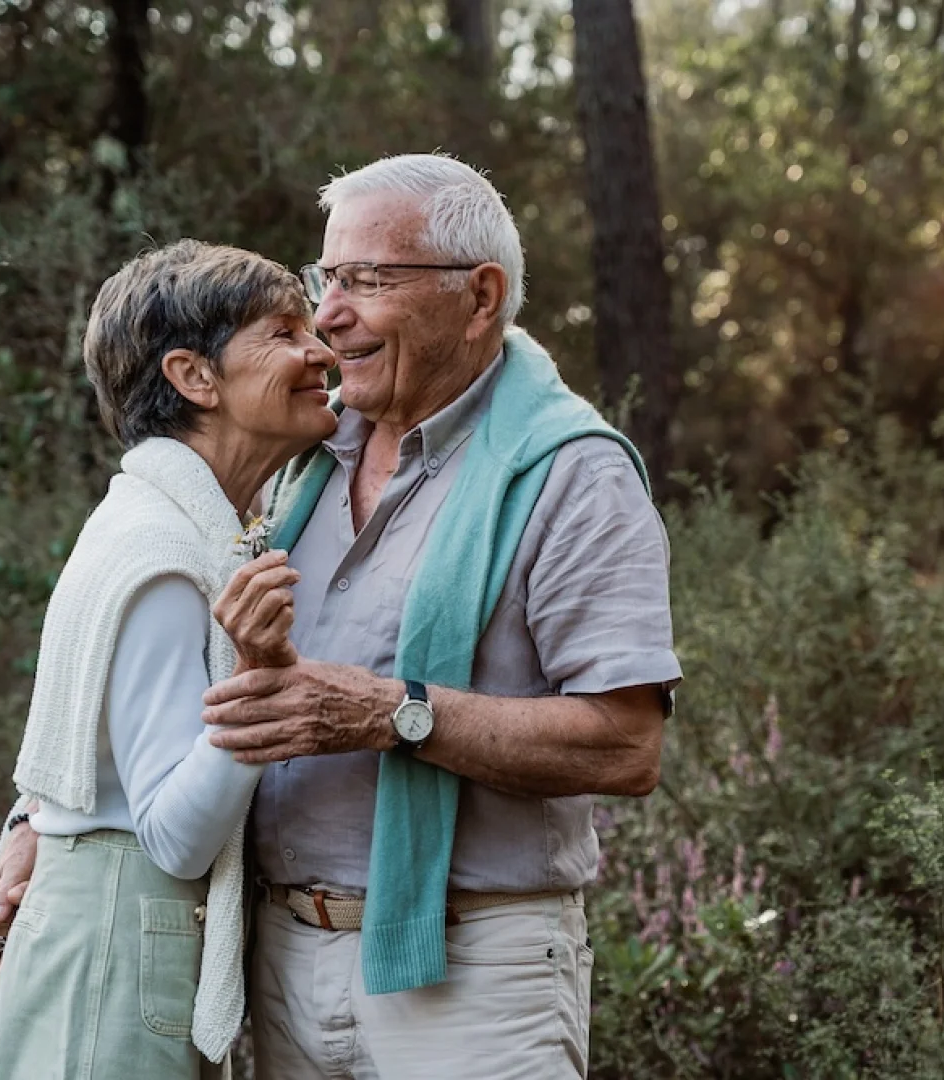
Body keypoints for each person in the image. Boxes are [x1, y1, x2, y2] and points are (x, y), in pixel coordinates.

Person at [200, 154, 681, 1079]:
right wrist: (33, 829)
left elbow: (627, 747)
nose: (328, 314)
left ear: (479, 297)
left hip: (474, 977)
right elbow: (139, 622)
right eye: (326, 278)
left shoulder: (571, 473)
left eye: (367, 280)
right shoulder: (298, 449)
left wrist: (392, 714)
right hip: (280, 960)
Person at [0, 239, 338, 1079]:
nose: (319, 351)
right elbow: (172, 838)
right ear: (194, 376)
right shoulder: (166, 555)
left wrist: (25, 828)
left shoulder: (155, 522)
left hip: (102, 934)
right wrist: (260, 678)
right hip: (119, 943)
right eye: (284, 333)